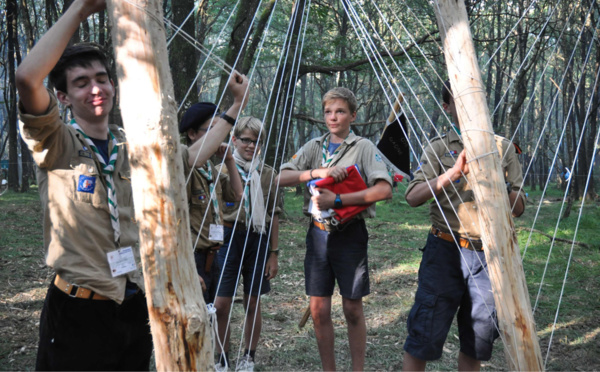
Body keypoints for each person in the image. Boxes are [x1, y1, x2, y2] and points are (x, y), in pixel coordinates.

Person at [15, 0, 248, 369]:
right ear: (62, 96)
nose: (96, 88)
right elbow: (27, 78)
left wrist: (235, 106)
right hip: (78, 310)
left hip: (134, 304)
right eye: (81, 82)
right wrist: (79, 10)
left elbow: (191, 156)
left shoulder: (131, 144)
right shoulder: (56, 143)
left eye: (102, 78)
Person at [401, 80, 526, 372]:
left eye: (476, 100)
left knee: (478, 340)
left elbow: (518, 208)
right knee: (424, 333)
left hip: (488, 256)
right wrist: (453, 173)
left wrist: (499, 180)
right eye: (460, 101)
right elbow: (412, 197)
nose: (470, 108)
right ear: (447, 108)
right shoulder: (438, 148)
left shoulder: (503, 147)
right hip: (445, 251)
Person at [278, 87, 393, 371]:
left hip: (349, 233)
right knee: (319, 310)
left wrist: (338, 199)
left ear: (353, 115)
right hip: (318, 234)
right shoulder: (314, 147)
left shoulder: (362, 147)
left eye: (340, 111)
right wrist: (317, 173)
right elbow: (281, 176)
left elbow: (384, 189)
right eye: (328, 112)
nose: (333, 117)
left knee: (352, 308)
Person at [213, 117, 282, 371]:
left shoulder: (268, 174)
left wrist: (273, 253)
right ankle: (221, 358)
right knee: (221, 303)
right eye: (246, 140)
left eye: (257, 141)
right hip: (228, 237)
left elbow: (274, 214)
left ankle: (248, 357)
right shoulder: (220, 170)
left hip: (258, 238)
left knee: (253, 301)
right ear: (234, 140)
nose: (252, 146)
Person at [179, 103, 243, 305]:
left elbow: (238, 194)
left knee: (210, 314)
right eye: (212, 131)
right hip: (193, 257)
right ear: (192, 133)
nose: (219, 137)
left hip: (213, 255)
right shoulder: (185, 171)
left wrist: (229, 160)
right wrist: (187, 267)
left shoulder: (210, 168)